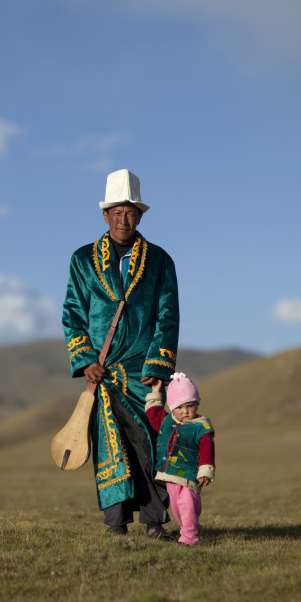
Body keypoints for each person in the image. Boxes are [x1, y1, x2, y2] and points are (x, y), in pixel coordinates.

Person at [62, 169, 179, 540]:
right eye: (115, 212)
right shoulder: (82, 260)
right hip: (103, 370)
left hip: (142, 370)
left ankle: (154, 521)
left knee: (148, 443)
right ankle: (115, 525)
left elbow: (167, 314)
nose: (122, 219)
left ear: (140, 215)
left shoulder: (160, 262)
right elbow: (73, 314)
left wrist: (158, 365)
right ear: (104, 215)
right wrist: (85, 361)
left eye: (129, 212)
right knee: (110, 445)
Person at [145, 373, 215, 546]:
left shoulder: (202, 427)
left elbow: (207, 451)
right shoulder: (166, 420)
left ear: (197, 404)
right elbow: (152, 412)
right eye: (180, 407)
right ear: (172, 407)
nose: (185, 411)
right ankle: (192, 527)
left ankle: (189, 537)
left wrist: (205, 471)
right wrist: (155, 392)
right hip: (169, 475)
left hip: (189, 474)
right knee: (178, 508)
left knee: (188, 505)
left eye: (190, 406)